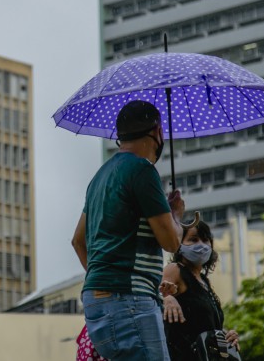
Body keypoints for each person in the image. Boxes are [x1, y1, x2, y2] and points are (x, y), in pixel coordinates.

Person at [72, 100, 186, 360]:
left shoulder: (100, 176)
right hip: (130, 301)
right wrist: (175, 215)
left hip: (95, 302)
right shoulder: (142, 170)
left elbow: (78, 241)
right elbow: (170, 242)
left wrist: (105, 278)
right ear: (157, 132)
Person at [161, 220, 241, 360]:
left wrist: (227, 335)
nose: (201, 245)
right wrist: (166, 298)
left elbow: (202, 325)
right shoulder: (175, 269)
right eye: (193, 239)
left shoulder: (204, 281)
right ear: (179, 244)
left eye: (205, 240)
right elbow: (156, 296)